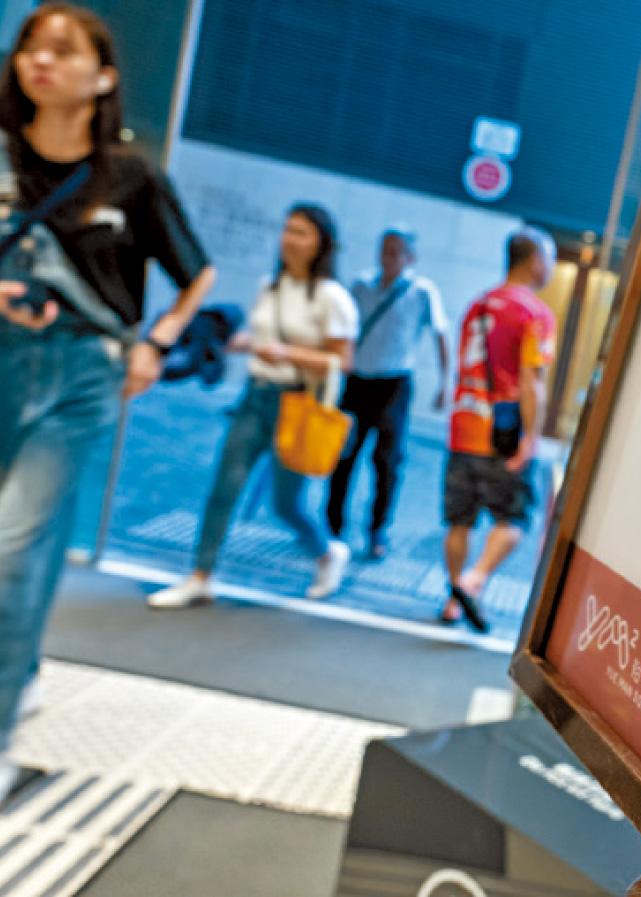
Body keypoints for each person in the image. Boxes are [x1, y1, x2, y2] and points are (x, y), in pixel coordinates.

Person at [0, 5, 214, 794]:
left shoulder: (130, 176)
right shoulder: (1, 155)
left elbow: (197, 272)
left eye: (63, 50)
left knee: (14, 546)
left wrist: (156, 343)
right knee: (28, 545)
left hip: (82, 374)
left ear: (103, 77)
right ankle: (21, 666)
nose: (41, 60)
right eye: (30, 47)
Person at [148, 203, 358, 609]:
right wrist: (238, 343)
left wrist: (287, 353)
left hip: (298, 402)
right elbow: (258, 338)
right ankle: (201, 575)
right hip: (255, 394)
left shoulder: (332, 298)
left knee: (286, 503)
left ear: (321, 243)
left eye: (301, 232)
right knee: (224, 486)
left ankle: (327, 553)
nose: (289, 239)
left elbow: (342, 361)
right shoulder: (271, 287)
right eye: (287, 229)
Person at [441, 227, 557, 633]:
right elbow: (531, 381)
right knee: (515, 518)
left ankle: (452, 599)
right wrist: (531, 436)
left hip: (463, 426)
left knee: (460, 521)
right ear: (536, 260)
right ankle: (473, 581)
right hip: (501, 434)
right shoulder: (534, 313)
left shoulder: (478, 305)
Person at [325, 225, 449, 559]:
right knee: (344, 454)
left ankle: (377, 530)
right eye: (385, 250)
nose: (389, 258)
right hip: (357, 382)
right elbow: (342, 330)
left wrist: (444, 381)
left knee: (387, 462)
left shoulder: (422, 291)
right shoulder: (361, 285)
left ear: (410, 258)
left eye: (396, 252)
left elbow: (440, 334)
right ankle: (333, 527)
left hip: (393, 386)